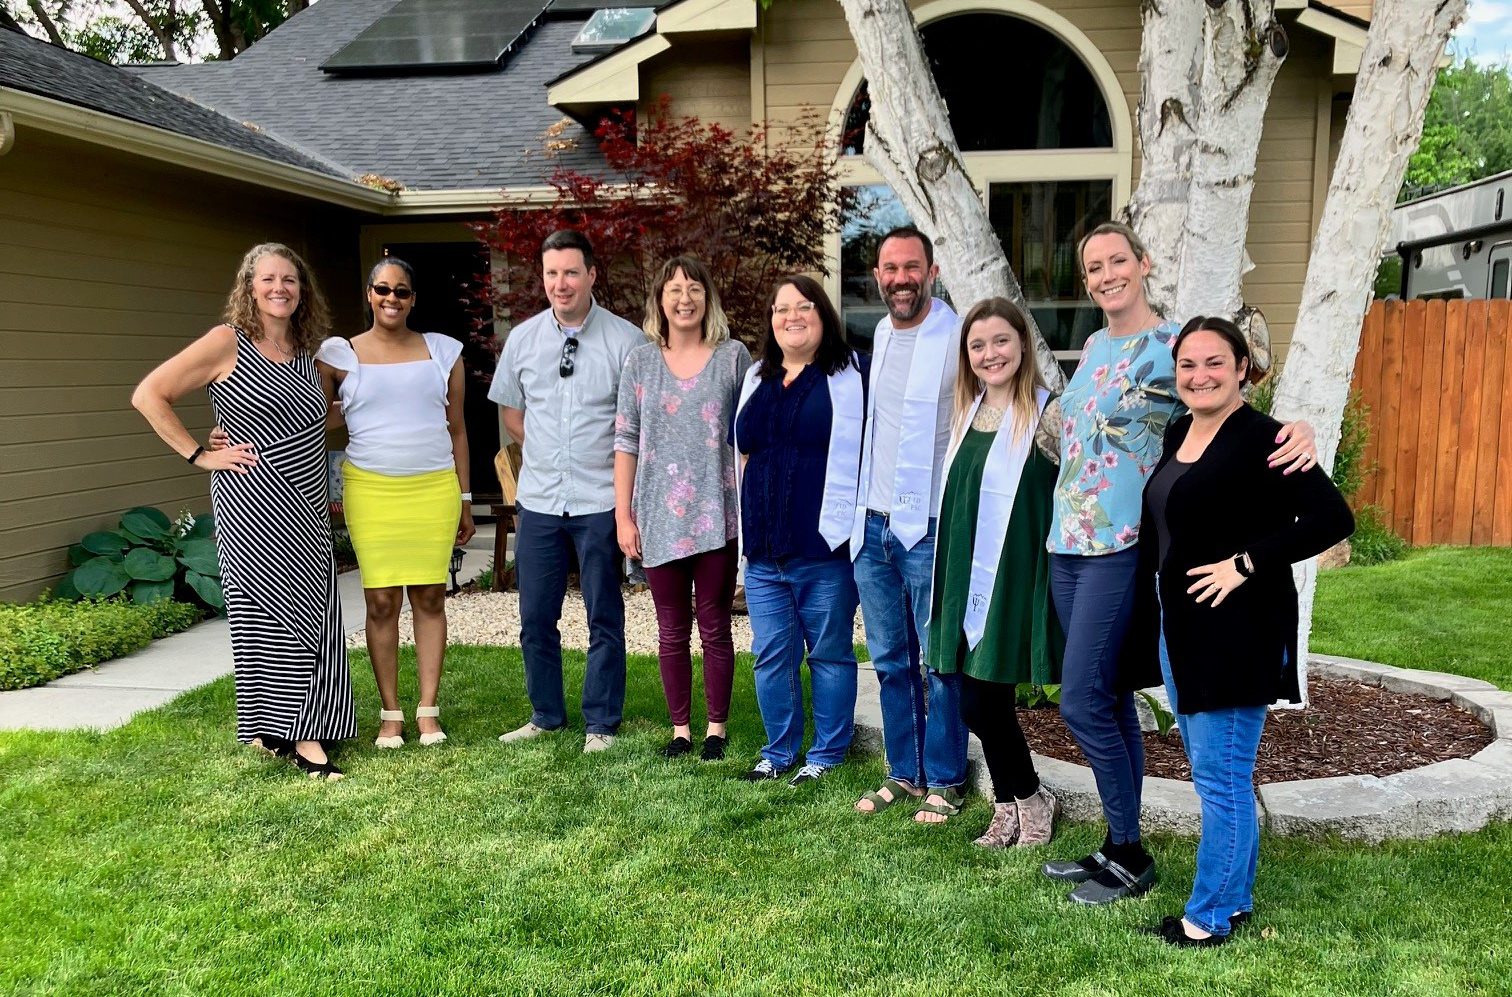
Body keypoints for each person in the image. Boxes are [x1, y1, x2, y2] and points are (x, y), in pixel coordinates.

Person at [1041, 221, 1318, 903]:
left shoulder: (1172, 346)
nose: (1106, 275)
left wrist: (1300, 426)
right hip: (1067, 543)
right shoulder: (1098, 345)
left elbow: (1235, 400)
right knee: (1104, 695)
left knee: (1079, 698)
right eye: (1094, 267)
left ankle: (1131, 854)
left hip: (1123, 545)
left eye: (1117, 261)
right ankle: (1120, 845)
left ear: (1144, 261)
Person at [1132, 317, 1353, 946]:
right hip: (1183, 625)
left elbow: (1332, 517)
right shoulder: (1181, 429)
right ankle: (1236, 899)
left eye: (1214, 363)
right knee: (1220, 771)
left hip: (1237, 630)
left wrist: (1246, 563)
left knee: (1221, 776)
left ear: (1241, 369)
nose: (1199, 376)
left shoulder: (1264, 438)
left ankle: (1207, 918)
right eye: (1188, 365)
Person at [131, 242, 355, 780]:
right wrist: (200, 453)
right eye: (269, 279)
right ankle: (304, 740)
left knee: (317, 613)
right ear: (249, 287)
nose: (280, 288)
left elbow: (317, 426)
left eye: (290, 280)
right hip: (250, 497)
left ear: (303, 291)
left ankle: (269, 729)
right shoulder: (226, 342)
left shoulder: (309, 351)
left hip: (306, 499)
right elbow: (149, 394)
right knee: (269, 619)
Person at [489, 230, 643, 753]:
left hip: (601, 500)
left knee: (604, 613)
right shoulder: (524, 339)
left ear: (592, 274)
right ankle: (546, 714)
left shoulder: (628, 342)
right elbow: (511, 411)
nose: (561, 283)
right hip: (539, 500)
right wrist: (548, 447)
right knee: (535, 616)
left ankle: (601, 723)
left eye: (571, 272)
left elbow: (637, 423)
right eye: (552, 273)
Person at [315, 258, 474, 748]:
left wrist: (466, 498)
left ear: (413, 299)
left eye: (401, 292)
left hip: (432, 488)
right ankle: (390, 713)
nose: (391, 298)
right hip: (372, 489)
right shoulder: (337, 354)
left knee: (429, 596)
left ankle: (428, 711)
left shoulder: (444, 352)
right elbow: (315, 419)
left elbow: (458, 428)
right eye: (382, 289)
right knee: (381, 600)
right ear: (368, 294)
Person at [925, 298, 1062, 848]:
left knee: (982, 700)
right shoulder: (968, 411)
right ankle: (1011, 804)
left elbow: (1076, 487)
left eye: (1001, 341)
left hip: (1014, 572)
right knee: (979, 699)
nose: (990, 354)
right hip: (965, 571)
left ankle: (1030, 800)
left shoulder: (1047, 413)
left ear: (1022, 344)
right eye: (977, 345)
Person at [849, 225, 969, 824]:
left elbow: (1009, 395)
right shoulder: (880, 333)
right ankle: (905, 770)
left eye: (911, 267)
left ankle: (946, 777)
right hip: (872, 528)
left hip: (929, 524)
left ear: (932, 269)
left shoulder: (957, 338)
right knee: (891, 658)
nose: (901, 279)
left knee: (938, 658)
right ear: (878, 276)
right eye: (890, 269)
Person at [614, 256, 752, 760]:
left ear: (707, 298)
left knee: (714, 623)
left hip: (717, 512)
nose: (684, 298)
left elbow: (747, 440)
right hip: (657, 516)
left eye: (694, 287)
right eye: (674, 289)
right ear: (660, 300)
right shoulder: (641, 360)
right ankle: (681, 729)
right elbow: (626, 439)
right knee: (670, 628)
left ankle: (716, 728)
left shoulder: (734, 357)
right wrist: (622, 516)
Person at [733, 276, 865, 785]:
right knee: (771, 657)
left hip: (823, 546)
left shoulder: (850, 373)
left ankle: (827, 753)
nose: (793, 316)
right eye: (782, 308)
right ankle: (779, 750)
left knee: (829, 653)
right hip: (765, 550)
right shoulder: (757, 377)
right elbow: (742, 449)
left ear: (822, 314)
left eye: (804, 306)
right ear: (771, 319)